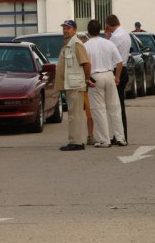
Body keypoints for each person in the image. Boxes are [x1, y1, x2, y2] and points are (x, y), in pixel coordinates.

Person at [83, 19, 127, 147]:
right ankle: (120, 138)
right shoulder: (109, 43)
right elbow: (119, 62)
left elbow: (86, 64)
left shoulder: (86, 46)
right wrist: (117, 77)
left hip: (95, 77)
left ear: (88, 31)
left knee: (98, 109)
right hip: (109, 75)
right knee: (114, 107)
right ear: (100, 30)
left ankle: (104, 140)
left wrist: (87, 78)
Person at [55, 20, 93, 151]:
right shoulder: (67, 44)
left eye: (68, 28)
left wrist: (87, 79)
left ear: (75, 30)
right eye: (64, 28)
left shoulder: (76, 44)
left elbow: (86, 63)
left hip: (75, 85)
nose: (65, 30)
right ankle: (74, 141)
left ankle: (77, 142)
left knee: (75, 115)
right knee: (72, 115)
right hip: (70, 84)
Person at [105, 14, 130, 142]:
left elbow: (109, 52)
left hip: (117, 70)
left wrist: (107, 37)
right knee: (119, 104)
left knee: (116, 105)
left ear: (108, 25)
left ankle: (120, 135)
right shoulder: (125, 33)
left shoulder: (115, 37)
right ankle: (120, 134)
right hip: (124, 68)